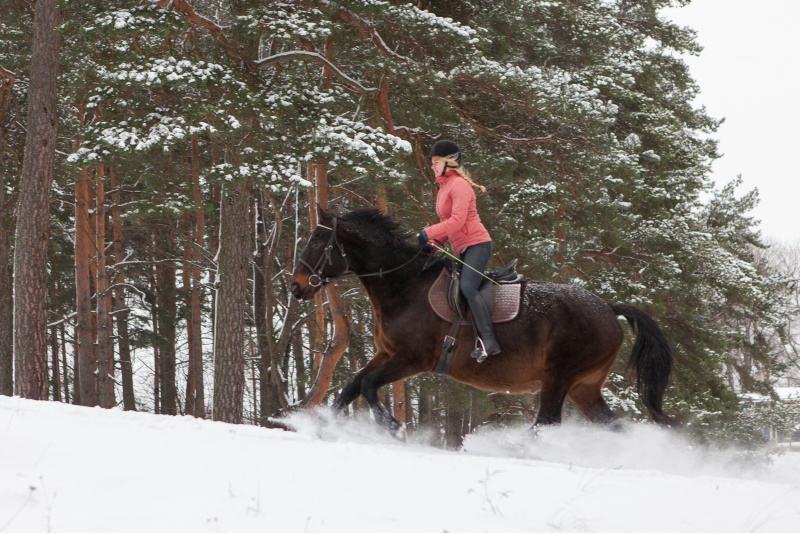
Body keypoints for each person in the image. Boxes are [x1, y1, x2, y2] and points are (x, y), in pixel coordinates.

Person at [417, 140, 500, 362]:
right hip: (463, 247)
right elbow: (449, 226)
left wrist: (428, 231)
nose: (432, 166)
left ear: (448, 162)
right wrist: (432, 244)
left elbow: (457, 221)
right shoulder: (445, 188)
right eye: (432, 162)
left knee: (467, 286)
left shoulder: (460, 185)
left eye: (435, 162)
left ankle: (488, 340)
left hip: (478, 244)